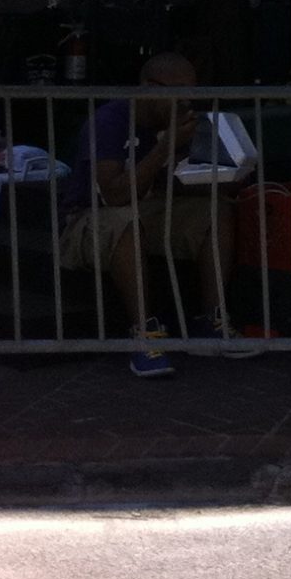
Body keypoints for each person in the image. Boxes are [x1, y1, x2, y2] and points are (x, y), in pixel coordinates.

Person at [58, 54, 247, 376]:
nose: (186, 102)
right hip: (90, 218)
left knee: (215, 208)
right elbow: (114, 194)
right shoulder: (110, 121)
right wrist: (164, 148)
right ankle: (145, 334)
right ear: (149, 88)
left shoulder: (175, 122)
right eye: (179, 93)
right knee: (125, 218)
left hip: (149, 207)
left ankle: (213, 320)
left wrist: (228, 172)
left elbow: (175, 184)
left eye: (192, 93)